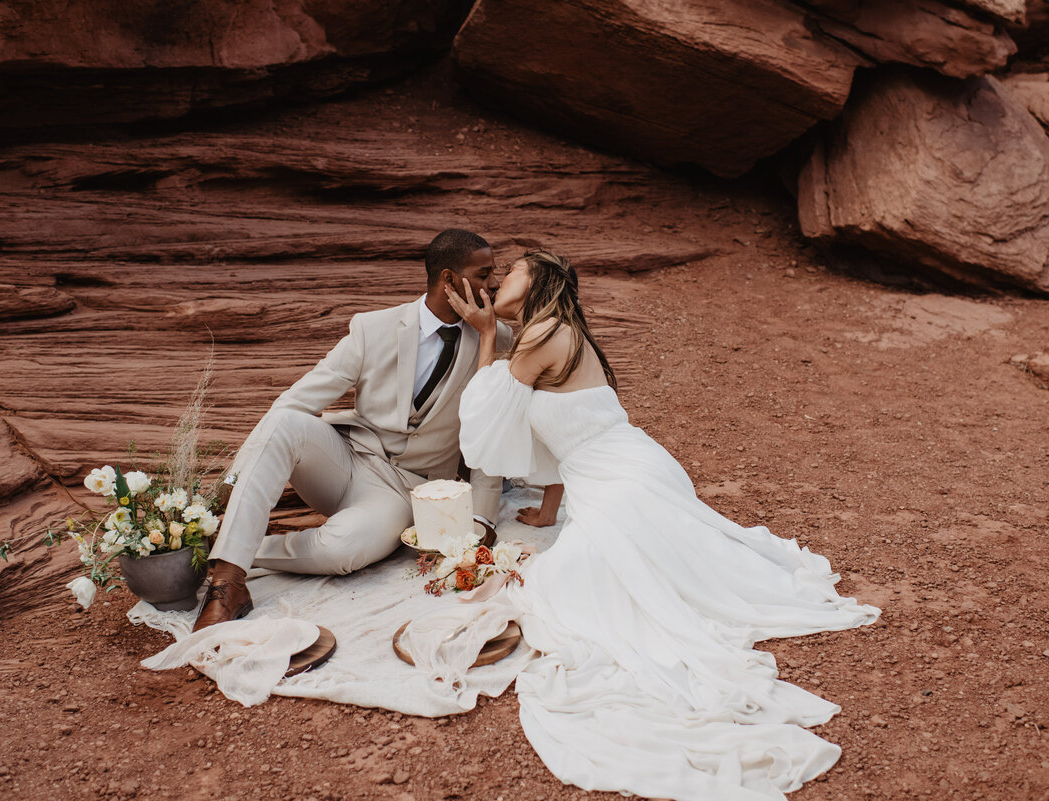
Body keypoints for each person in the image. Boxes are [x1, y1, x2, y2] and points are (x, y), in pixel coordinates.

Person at [445, 250, 880, 801]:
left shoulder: (541, 333)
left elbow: (487, 413)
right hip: (624, 473)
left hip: (627, 481)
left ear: (542, 284)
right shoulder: (561, 331)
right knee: (623, 575)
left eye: (514, 271)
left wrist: (485, 334)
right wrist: (551, 512)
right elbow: (563, 434)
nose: (502, 278)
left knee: (569, 591)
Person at [194, 229, 511, 631]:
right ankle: (228, 582)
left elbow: (492, 430)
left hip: (407, 490)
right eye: (483, 275)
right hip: (346, 459)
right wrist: (229, 486)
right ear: (449, 279)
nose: (493, 285)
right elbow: (297, 401)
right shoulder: (373, 328)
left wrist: (481, 523)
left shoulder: (496, 340)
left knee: (343, 552)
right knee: (285, 420)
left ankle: (226, 550)